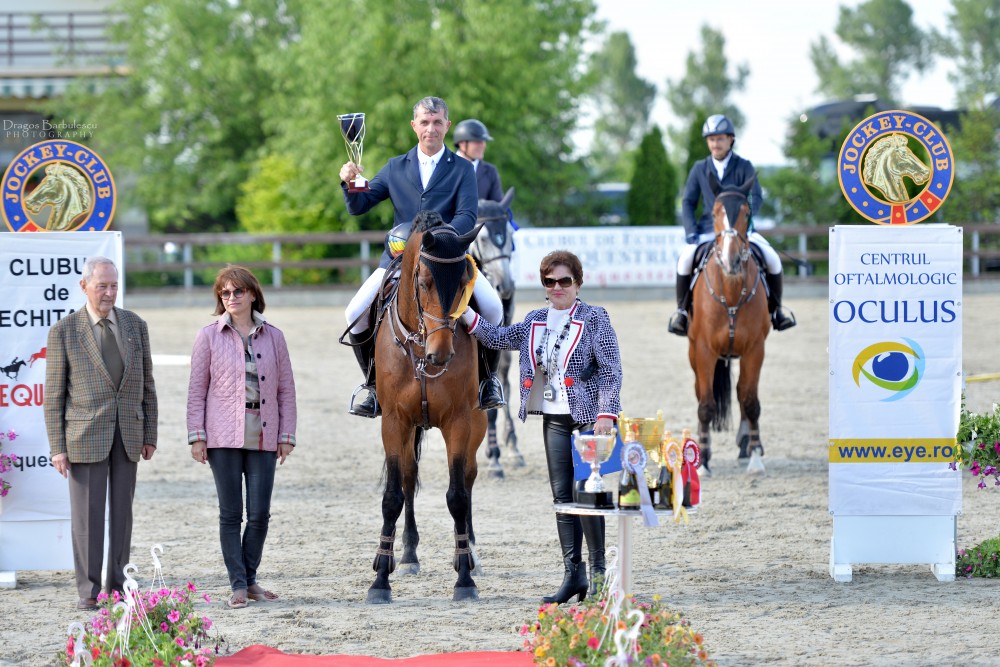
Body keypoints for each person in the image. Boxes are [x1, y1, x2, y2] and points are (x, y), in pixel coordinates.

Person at [460, 250, 622, 603]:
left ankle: (598, 576)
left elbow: (611, 370)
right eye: (550, 281)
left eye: (565, 280)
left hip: (589, 418)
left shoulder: (595, 317)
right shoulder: (535, 319)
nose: (557, 287)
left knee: (586, 492)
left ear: (578, 283)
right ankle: (573, 575)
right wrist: (465, 313)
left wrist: (607, 413)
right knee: (562, 497)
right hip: (554, 419)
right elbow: (498, 338)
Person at [339, 96, 505, 418]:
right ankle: (372, 386)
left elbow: (467, 216)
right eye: (425, 122)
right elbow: (360, 205)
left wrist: (439, 239)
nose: (431, 128)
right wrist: (350, 182)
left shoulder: (462, 169)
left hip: (448, 260)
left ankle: (488, 380)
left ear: (447, 126)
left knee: (494, 308)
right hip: (400, 260)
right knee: (354, 313)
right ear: (414, 125)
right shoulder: (395, 167)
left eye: (437, 122)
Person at [44, 256, 158, 611]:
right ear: (84, 286)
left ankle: (119, 586)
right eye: (101, 286)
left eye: (114, 286)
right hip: (84, 437)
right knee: (87, 520)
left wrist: (150, 433)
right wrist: (57, 447)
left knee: (122, 517)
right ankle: (90, 591)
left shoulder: (136, 326)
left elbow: (147, 384)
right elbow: (53, 396)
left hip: (128, 434)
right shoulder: (64, 331)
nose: (109, 293)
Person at [186, 266, 297, 610]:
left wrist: (287, 434)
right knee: (231, 514)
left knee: (260, 514)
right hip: (221, 436)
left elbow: (286, 389)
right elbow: (196, 391)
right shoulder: (208, 336)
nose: (231, 298)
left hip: (264, 433)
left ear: (252, 294)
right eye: (224, 293)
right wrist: (197, 436)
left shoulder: (274, 336)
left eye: (237, 291)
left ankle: (249, 579)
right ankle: (239, 584)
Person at [668, 114, 796, 336]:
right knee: (685, 260)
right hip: (708, 231)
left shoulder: (744, 166)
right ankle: (682, 313)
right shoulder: (700, 168)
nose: (715, 144)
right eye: (711, 139)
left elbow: (756, 196)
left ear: (731, 140)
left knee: (772, 259)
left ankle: (777, 311)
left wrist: (746, 220)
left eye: (720, 139)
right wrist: (691, 231)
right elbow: (688, 201)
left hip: (741, 231)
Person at [453, 118, 503, 202]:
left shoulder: (490, 171)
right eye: (478, 142)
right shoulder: (444, 167)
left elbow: (498, 205)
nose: (483, 146)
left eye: (483, 142)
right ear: (462, 144)